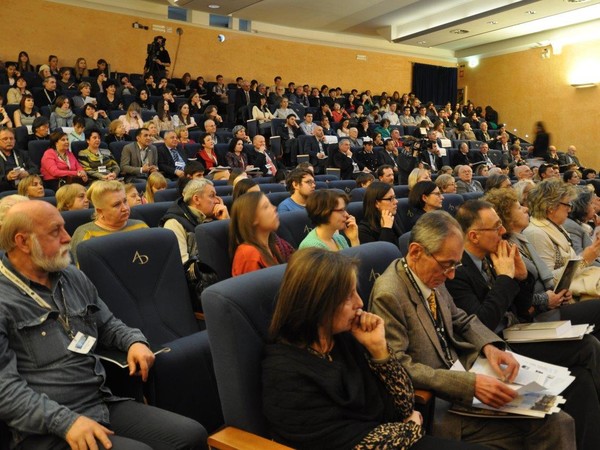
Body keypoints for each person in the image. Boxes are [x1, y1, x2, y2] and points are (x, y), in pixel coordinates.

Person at [0, 200, 205, 450]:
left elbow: (107, 323)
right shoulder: (4, 298)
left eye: (64, 228)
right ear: (22, 242)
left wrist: (134, 341)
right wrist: (65, 422)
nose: (67, 238)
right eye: (56, 231)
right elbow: (5, 390)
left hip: (100, 402)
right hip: (44, 426)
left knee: (191, 435)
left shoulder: (71, 275)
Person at [369, 210, 576, 448]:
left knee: (556, 413)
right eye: (448, 265)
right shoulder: (389, 294)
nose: (452, 274)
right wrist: (470, 384)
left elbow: (460, 318)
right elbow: (400, 366)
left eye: (456, 264)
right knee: (554, 423)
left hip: (467, 373)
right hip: (441, 403)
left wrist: (490, 346)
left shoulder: (428, 274)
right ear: (416, 251)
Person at [264, 247, 485, 450]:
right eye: (347, 296)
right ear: (318, 303)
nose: (360, 303)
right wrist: (410, 429)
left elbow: (405, 404)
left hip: (395, 438)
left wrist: (379, 350)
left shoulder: (344, 339)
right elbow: (343, 443)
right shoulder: (284, 373)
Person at [448, 199, 600, 449]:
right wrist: (506, 277)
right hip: (493, 349)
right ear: (474, 236)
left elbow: (523, 306)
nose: (502, 232)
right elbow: (482, 324)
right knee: (587, 348)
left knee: (582, 378)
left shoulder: (491, 256)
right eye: (495, 227)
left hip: (516, 331)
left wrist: (521, 276)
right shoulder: (457, 270)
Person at [485, 188, 600, 329]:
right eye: (519, 207)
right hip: (536, 315)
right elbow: (515, 297)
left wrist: (559, 293)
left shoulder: (521, 238)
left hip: (552, 301)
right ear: (506, 215)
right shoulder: (512, 245)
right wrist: (584, 259)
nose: (526, 209)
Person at [524, 179, 600, 297]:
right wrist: (584, 260)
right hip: (566, 297)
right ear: (551, 206)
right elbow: (550, 281)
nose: (570, 209)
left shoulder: (555, 226)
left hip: (576, 286)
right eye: (567, 204)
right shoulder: (536, 233)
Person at [71, 181, 148, 264]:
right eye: (117, 205)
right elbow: (81, 273)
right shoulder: (86, 234)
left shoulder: (141, 226)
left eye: (125, 201)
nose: (125, 208)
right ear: (100, 211)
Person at [160, 178, 229, 263]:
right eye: (212, 196)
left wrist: (225, 222)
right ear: (196, 199)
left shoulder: (216, 216)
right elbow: (183, 264)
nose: (217, 201)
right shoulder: (174, 223)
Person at [229, 191, 294, 276]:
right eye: (266, 206)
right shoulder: (248, 255)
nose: (274, 208)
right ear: (252, 218)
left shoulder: (275, 245)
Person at [358, 181, 404, 246]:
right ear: (376, 203)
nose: (396, 201)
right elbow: (381, 254)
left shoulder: (393, 216)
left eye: (394, 197)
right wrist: (386, 229)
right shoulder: (364, 230)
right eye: (390, 199)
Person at [0, 128, 37, 192]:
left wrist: (27, 173)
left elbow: (35, 168)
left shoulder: (22, 153)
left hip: (24, 186)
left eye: (11, 138)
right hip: (4, 189)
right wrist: (7, 177)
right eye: (5, 139)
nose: (9, 141)